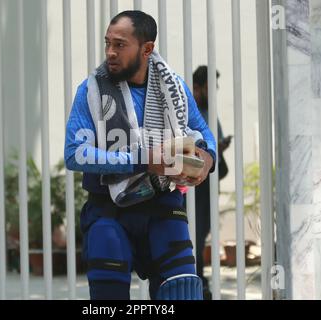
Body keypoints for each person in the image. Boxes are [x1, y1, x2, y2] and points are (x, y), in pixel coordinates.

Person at [64, 11, 216, 300]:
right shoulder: (90, 91)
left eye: (120, 45)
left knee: (182, 290)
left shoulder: (176, 88)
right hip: (108, 208)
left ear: (147, 49)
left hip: (163, 204)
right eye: (108, 43)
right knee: (109, 295)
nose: (110, 52)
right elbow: (75, 153)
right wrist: (145, 159)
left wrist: (205, 160)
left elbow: (203, 135)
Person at [190, 66, 232, 299]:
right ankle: (196, 278)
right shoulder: (187, 109)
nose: (214, 91)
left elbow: (213, 142)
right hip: (192, 180)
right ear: (197, 87)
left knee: (203, 229)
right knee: (193, 230)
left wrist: (220, 146)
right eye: (210, 87)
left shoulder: (210, 110)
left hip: (209, 179)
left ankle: (199, 276)